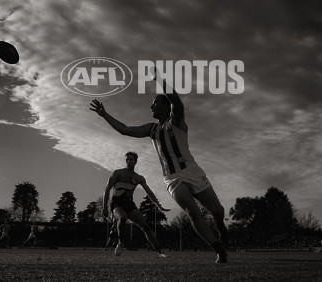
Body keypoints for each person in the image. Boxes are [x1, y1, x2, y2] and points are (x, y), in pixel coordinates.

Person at [90, 71, 229, 263]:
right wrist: (104, 114)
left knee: (217, 211)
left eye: (154, 103)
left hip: (192, 171)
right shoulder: (151, 129)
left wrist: (160, 79)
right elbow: (125, 130)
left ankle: (221, 227)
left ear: (165, 105)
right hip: (172, 177)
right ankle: (219, 249)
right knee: (192, 212)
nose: (151, 106)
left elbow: (177, 102)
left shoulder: (177, 121)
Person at [102, 151, 170, 258]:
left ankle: (160, 251)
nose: (128, 161)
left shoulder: (139, 178)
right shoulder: (117, 173)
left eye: (131, 159)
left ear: (136, 162)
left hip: (129, 204)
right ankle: (120, 243)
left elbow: (149, 193)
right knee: (122, 217)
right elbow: (107, 190)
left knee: (145, 227)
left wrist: (158, 206)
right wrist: (104, 207)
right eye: (127, 159)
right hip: (116, 203)